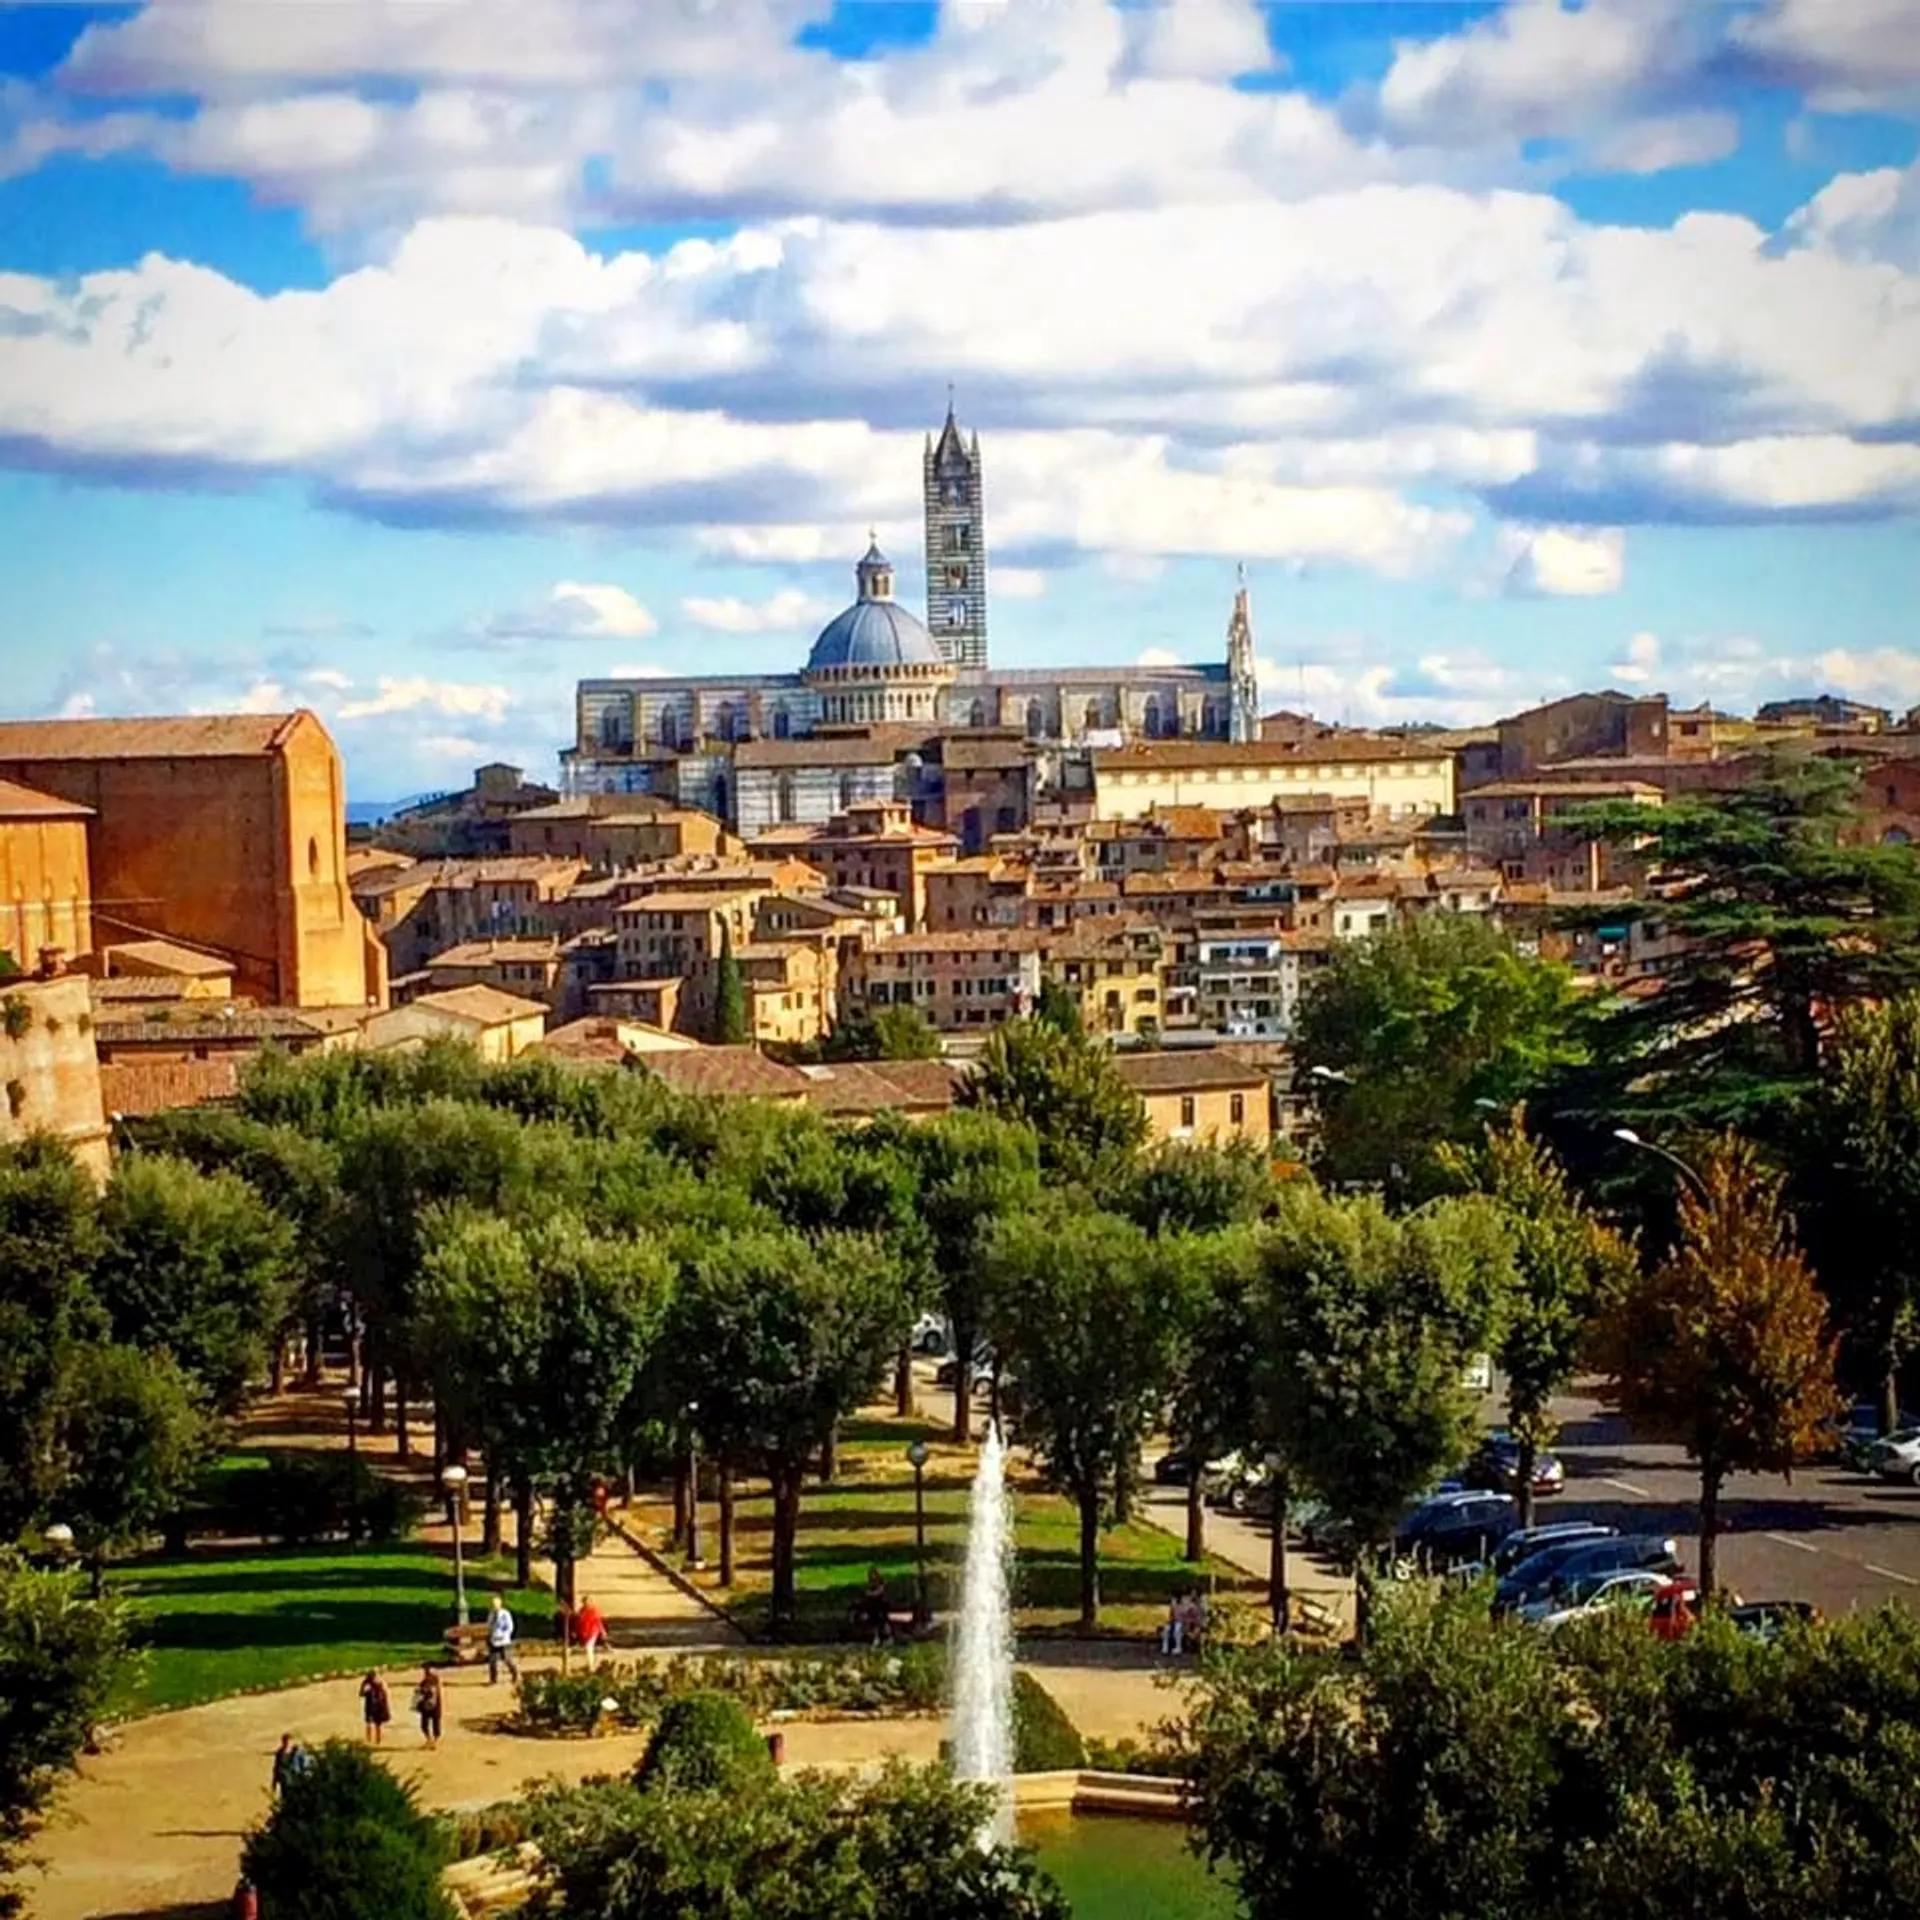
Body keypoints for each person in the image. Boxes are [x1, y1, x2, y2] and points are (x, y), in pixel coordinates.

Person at [486, 1592, 519, 1686]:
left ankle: (515, 1675)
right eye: (492, 1605)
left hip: (504, 1641)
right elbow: (489, 1626)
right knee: (492, 1661)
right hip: (494, 1640)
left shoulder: (505, 1614)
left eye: (495, 1604)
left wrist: (505, 1635)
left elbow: (510, 1627)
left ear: (500, 1604)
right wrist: (490, 1636)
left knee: (507, 1659)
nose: (494, 1606)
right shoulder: (491, 1615)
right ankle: (493, 1679)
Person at [857, 1567, 893, 1645]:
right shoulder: (870, 1586)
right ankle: (877, 1637)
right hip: (873, 1610)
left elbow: (880, 1593)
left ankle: (886, 1637)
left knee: (881, 1619)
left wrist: (869, 1594)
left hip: (882, 1609)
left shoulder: (882, 1586)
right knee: (874, 1619)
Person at [574, 1594, 608, 1672]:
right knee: (588, 1648)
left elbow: (598, 1622)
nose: (585, 1603)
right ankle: (589, 1664)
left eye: (587, 1602)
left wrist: (602, 1631)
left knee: (588, 1647)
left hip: (593, 1632)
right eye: (584, 1602)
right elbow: (578, 1622)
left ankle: (590, 1666)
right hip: (585, 1632)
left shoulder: (594, 1610)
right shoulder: (581, 1610)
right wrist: (575, 1630)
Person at [413, 1665, 444, 1749]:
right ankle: (429, 1740)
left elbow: (438, 1694)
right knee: (424, 1726)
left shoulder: (436, 1681)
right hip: (426, 1707)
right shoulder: (423, 1682)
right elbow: (418, 1692)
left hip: (434, 1706)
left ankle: (434, 1742)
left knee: (436, 1726)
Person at [359, 1670, 391, 1745]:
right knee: (373, 1724)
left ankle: (372, 1739)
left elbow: (362, 1694)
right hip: (374, 1705)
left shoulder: (372, 1684)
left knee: (372, 1723)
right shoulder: (378, 1683)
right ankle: (373, 1740)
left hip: (373, 1705)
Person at [1159, 1591, 1186, 1656]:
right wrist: (1169, 1620)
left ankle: (1178, 1648)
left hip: (1183, 1622)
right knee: (1166, 1629)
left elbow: (1186, 1615)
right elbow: (1171, 1613)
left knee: (1177, 1629)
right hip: (1174, 1621)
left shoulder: (1185, 1603)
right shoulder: (1173, 1603)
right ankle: (1165, 1648)